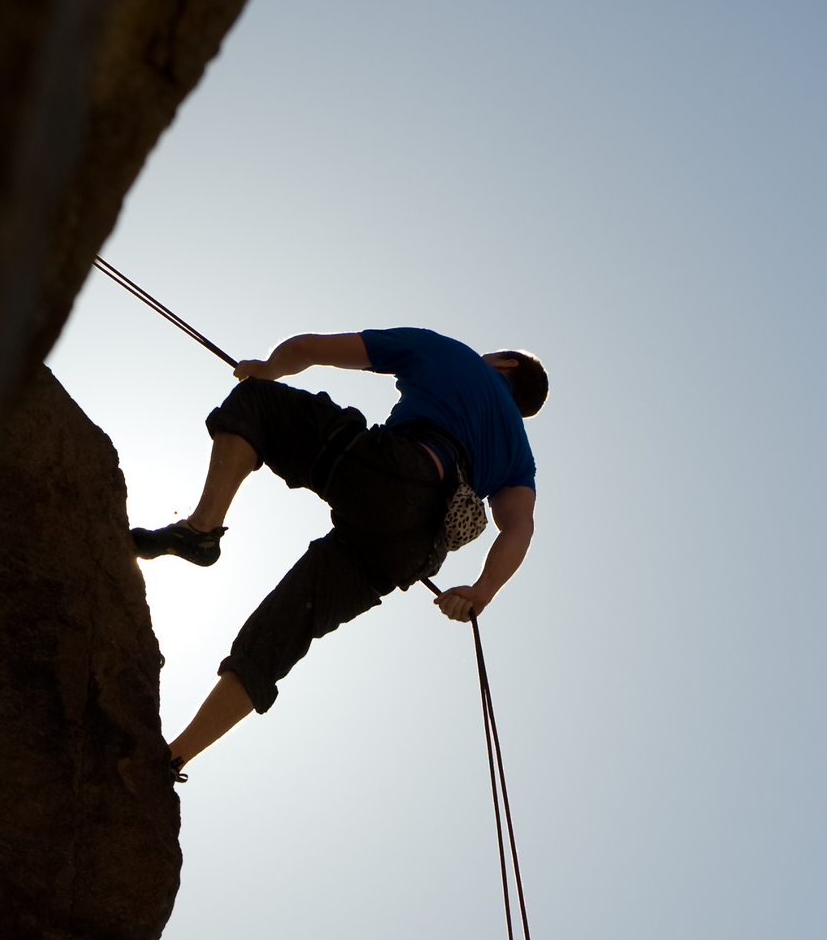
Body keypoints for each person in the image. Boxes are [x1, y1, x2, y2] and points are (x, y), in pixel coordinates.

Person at [133, 327, 546, 780]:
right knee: (286, 628)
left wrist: (265, 371)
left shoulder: (456, 355)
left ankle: (202, 530)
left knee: (258, 403)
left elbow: (309, 349)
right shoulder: (519, 455)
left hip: (396, 472)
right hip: (416, 548)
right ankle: (172, 758)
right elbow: (518, 528)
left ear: (506, 364)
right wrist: (482, 591)